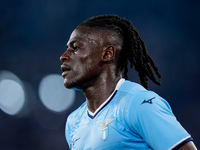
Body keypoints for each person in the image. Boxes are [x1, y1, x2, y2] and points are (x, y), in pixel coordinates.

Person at [60, 15, 197, 150]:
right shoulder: (74, 122)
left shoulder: (138, 103)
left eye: (76, 48)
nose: (63, 56)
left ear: (107, 54)